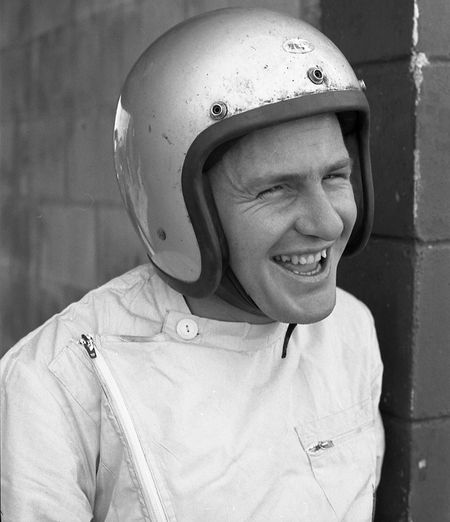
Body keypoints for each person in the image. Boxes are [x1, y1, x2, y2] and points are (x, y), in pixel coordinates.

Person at [1, 8, 384, 521]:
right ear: (181, 211)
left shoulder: (352, 333)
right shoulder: (55, 385)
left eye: (336, 177)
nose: (328, 223)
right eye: (275, 189)